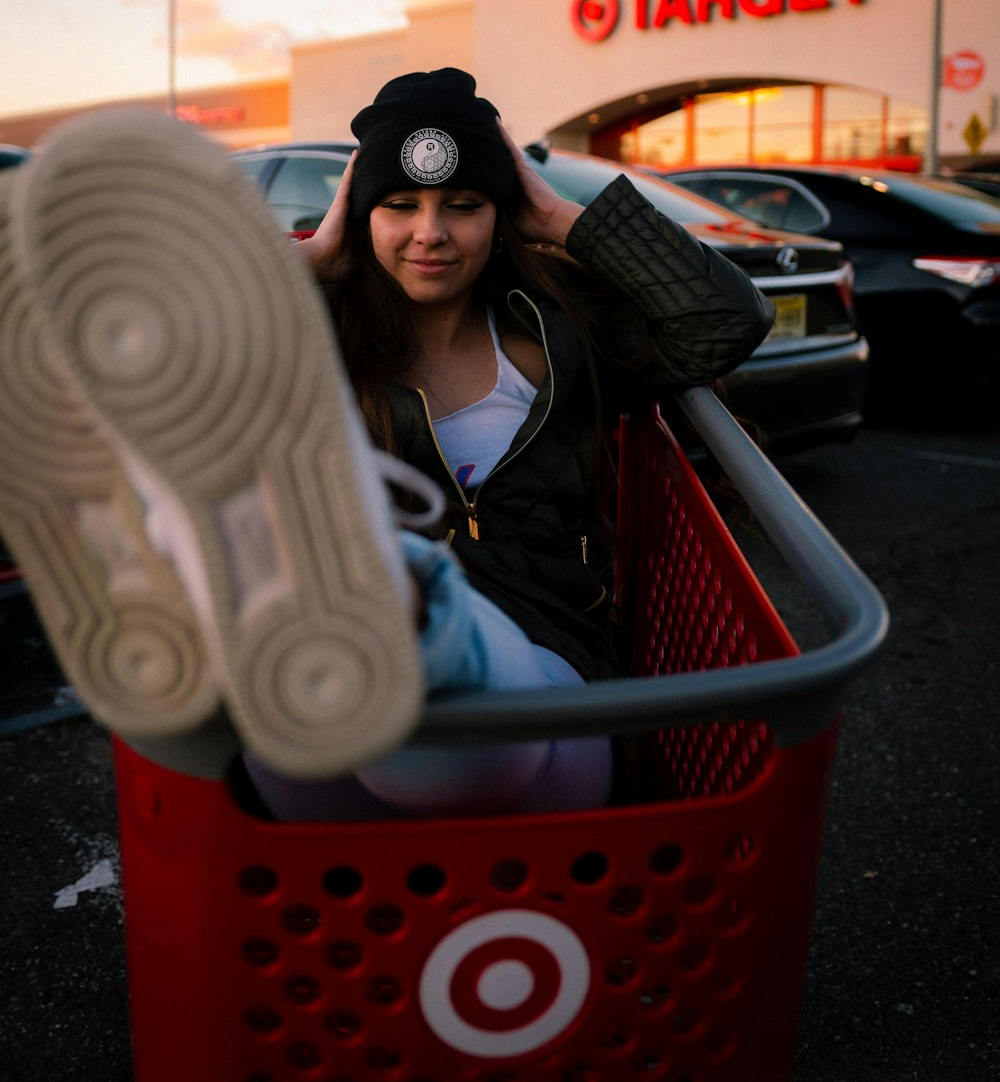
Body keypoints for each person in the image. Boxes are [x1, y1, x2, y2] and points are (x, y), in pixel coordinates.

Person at [0, 71, 773, 820]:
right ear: (359, 214)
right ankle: (330, 594)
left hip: (547, 680)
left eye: (464, 205)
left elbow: (728, 319)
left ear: (500, 215)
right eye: (398, 205)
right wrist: (306, 261)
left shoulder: (562, 332)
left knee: (428, 707)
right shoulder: (323, 338)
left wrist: (560, 215)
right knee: (307, 731)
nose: (429, 233)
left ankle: (377, 594)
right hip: (340, 717)